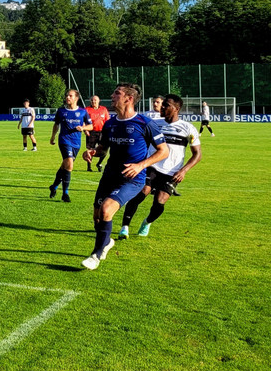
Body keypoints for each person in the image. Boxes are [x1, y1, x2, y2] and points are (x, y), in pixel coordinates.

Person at [80, 83, 169, 270]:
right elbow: (103, 148)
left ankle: (96, 255)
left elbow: (164, 151)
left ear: (128, 98)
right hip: (109, 176)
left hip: (132, 178)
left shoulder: (144, 123)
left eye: (117, 93)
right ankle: (107, 242)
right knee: (98, 217)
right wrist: (92, 152)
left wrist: (141, 165)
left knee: (106, 210)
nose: (112, 96)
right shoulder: (110, 123)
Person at [118, 94, 202, 238]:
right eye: (162, 104)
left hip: (172, 172)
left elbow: (197, 154)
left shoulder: (188, 128)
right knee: (141, 193)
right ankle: (124, 227)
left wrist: (183, 171)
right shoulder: (154, 123)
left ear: (176, 108)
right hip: (152, 166)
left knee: (160, 202)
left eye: (166, 105)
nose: (161, 107)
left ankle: (147, 222)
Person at [48, 89, 92, 202]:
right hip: (64, 140)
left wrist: (83, 128)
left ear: (76, 98)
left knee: (65, 166)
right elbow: (56, 124)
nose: (68, 97)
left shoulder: (82, 111)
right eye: (67, 95)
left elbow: (90, 126)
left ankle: (54, 186)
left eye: (70, 96)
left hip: (76, 143)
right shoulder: (61, 111)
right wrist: (53, 136)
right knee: (70, 165)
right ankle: (65, 193)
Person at [84, 95, 110, 172]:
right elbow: (83, 121)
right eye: (92, 100)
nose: (93, 101)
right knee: (90, 150)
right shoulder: (87, 110)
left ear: (99, 101)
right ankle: (89, 167)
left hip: (102, 132)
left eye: (95, 100)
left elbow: (107, 121)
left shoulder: (103, 109)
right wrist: (85, 130)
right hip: (91, 132)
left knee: (104, 150)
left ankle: (99, 163)